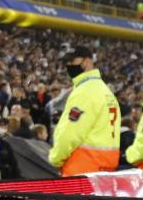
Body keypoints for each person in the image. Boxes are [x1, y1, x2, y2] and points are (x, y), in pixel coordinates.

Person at [48, 46, 120, 176]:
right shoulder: (106, 91)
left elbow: (70, 134)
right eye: (67, 62)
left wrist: (55, 158)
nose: (68, 65)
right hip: (105, 167)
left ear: (87, 61)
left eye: (72, 60)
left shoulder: (84, 91)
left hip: (82, 168)